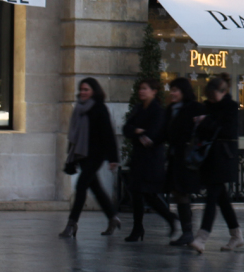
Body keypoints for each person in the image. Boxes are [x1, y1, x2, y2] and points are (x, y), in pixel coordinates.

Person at [59, 77, 122, 238]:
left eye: (86, 89)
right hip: (81, 154)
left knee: (81, 187)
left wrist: (113, 158)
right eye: (81, 89)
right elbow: (74, 135)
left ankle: (72, 224)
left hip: (96, 154)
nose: (83, 92)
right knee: (96, 188)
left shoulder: (99, 108)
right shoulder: (79, 108)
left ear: (94, 90)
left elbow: (108, 133)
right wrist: (71, 156)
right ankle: (113, 218)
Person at [189, 75, 243, 253]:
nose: (211, 99)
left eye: (214, 95)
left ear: (223, 92)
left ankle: (202, 237)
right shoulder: (208, 107)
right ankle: (236, 235)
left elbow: (226, 130)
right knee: (222, 198)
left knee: (212, 196)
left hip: (223, 157)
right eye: (209, 96)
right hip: (210, 157)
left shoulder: (231, 107)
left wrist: (205, 122)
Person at [121, 78, 178, 242]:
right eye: (140, 88)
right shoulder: (138, 108)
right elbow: (127, 128)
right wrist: (138, 132)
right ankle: (138, 228)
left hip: (151, 159)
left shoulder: (158, 110)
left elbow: (153, 135)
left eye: (145, 88)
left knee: (150, 195)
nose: (141, 91)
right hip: (139, 158)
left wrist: (138, 132)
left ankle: (168, 217)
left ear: (153, 91)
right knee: (137, 194)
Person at [163, 77, 203, 246]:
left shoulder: (194, 107)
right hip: (175, 157)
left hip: (187, 158)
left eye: (176, 90)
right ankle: (187, 230)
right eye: (171, 90)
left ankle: (188, 231)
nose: (172, 93)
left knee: (181, 191)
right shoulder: (171, 109)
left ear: (183, 92)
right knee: (178, 191)